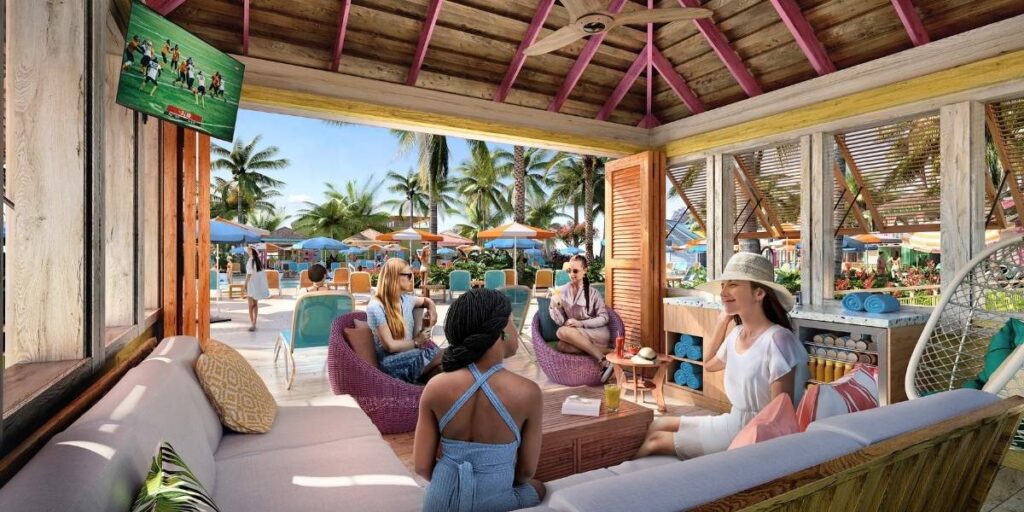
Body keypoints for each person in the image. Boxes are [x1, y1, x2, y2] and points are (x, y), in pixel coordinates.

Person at [634, 252, 808, 460]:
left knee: (656, 441)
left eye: (733, 285)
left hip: (751, 432)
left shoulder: (778, 340)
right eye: (723, 285)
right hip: (733, 420)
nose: (723, 292)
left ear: (759, 293)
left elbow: (779, 414)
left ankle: (622, 483)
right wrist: (721, 322)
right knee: (658, 423)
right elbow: (708, 364)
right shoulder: (737, 333)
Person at [416, 289, 545, 512]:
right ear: (502, 330)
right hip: (493, 502)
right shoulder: (527, 392)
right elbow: (525, 473)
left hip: (438, 502)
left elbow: (421, 467)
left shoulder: (435, 387)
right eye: (512, 322)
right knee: (539, 488)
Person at [366, 258, 443, 383]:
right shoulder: (376, 307)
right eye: (408, 275)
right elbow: (390, 346)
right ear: (394, 277)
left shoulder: (406, 299)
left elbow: (426, 301)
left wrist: (432, 310)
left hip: (413, 356)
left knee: (443, 366)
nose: (412, 278)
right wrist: (417, 342)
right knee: (444, 354)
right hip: (392, 364)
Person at [549, 255, 613, 381]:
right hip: (576, 335)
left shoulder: (593, 292)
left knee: (561, 331)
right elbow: (561, 321)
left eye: (575, 271)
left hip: (597, 332)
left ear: (585, 270)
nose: (572, 274)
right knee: (562, 345)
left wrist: (581, 323)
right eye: (569, 271)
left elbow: (604, 318)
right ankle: (609, 352)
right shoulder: (561, 291)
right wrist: (553, 306)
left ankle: (603, 361)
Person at [244, 245, 271, 332]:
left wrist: (245, 284)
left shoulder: (250, 260)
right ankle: (254, 323)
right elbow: (261, 275)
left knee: (250, 305)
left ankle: (252, 324)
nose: (247, 251)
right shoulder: (258, 261)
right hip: (256, 285)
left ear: (252, 251)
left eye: (248, 250)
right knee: (255, 304)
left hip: (251, 284)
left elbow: (249, 274)